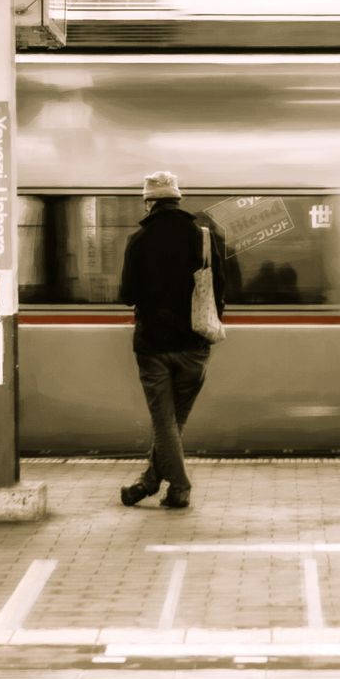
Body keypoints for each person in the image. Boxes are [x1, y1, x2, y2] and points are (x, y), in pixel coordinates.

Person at [117, 171, 227, 510]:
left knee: (164, 422)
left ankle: (180, 486)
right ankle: (148, 483)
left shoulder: (139, 240)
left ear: (149, 202)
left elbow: (127, 295)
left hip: (153, 347)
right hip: (195, 345)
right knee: (172, 424)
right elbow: (221, 290)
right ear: (178, 200)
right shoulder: (206, 237)